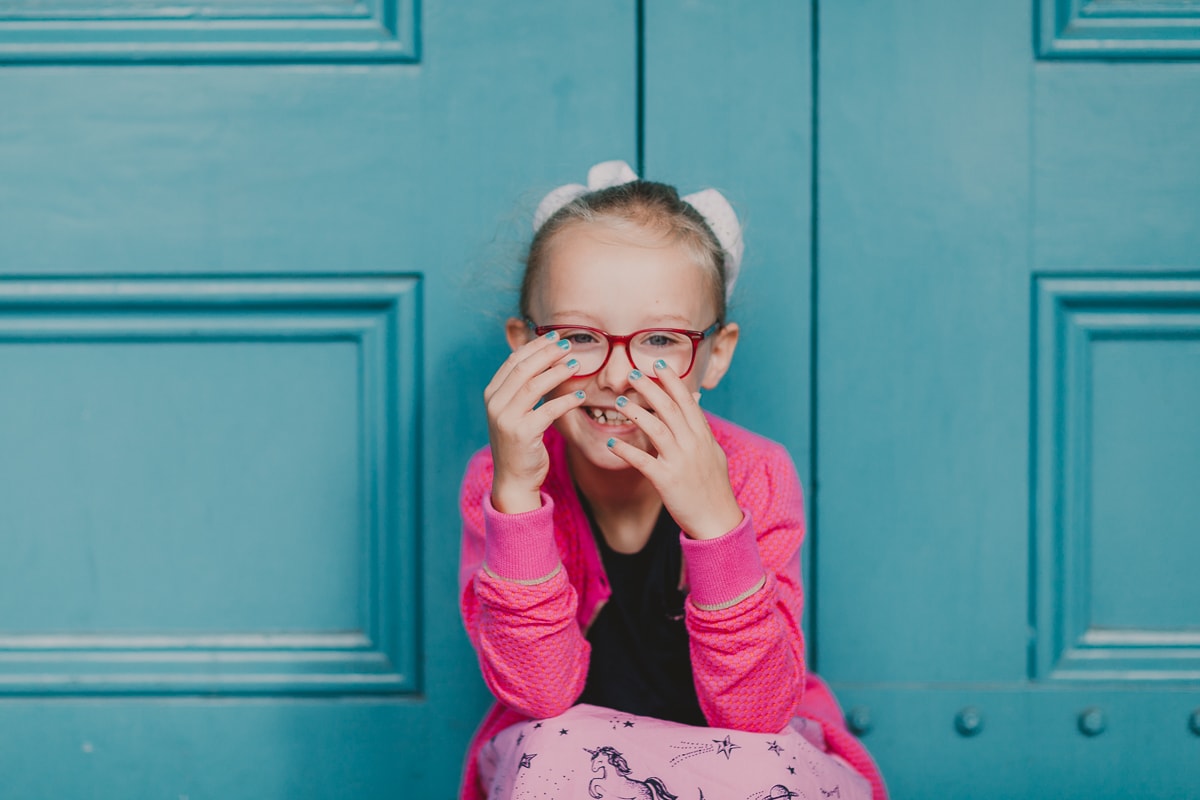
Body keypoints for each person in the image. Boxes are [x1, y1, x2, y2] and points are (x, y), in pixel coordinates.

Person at [458, 161, 886, 800]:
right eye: (577, 336)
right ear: (524, 346)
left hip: (741, 765)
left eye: (659, 339)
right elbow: (539, 695)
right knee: (553, 749)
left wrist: (716, 525)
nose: (617, 377)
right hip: (580, 768)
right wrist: (517, 502)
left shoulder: (756, 474)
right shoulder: (498, 479)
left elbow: (756, 718)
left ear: (714, 354)